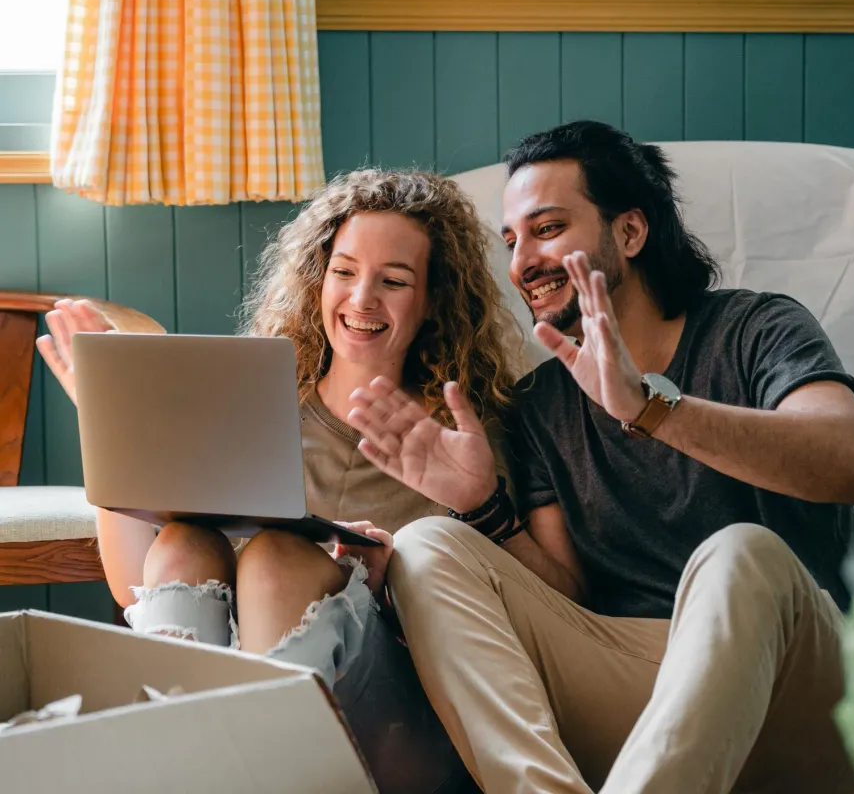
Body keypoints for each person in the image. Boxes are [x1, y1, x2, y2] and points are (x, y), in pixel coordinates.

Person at [346, 121, 854, 794]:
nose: (522, 264)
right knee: (426, 543)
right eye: (512, 241)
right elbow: (568, 592)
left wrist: (651, 409)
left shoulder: (755, 329)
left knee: (741, 553)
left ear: (630, 232)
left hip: (797, 681)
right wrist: (483, 509)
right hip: (639, 681)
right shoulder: (541, 406)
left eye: (547, 229)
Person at [36, 168, 520, 794]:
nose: (361, 299)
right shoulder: (253, 409)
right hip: (235, 710)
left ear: (432, 300)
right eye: (343, 272)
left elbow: (510, 615)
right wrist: (108, 430)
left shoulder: (463, 437)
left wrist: (392, 586)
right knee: (184, 541)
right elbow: (136, 591)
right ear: (319, 279)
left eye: (393, 281)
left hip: (398, 721)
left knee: (273, 559)